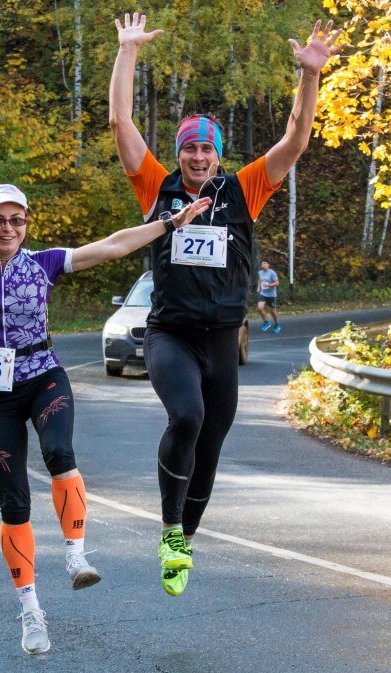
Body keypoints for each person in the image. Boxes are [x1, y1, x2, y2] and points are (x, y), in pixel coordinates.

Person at [0, 100, 210, 655]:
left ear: (27, 224)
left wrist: (169, 223)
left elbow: (114, 245)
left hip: (43, 371)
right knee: (13, 504)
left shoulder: (45, 262)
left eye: (17, 219)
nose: (7, 227)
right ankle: (31, 612)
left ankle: (76, 555)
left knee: (60, 452)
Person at [109, 12, 343, 596]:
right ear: (180, 154)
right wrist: (128, 51)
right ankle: (169, 530)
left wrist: (308, 77)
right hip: (170, 335)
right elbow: (120, 122)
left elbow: (296, 142)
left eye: (206, 150)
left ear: (217, 155)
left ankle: (182, 542)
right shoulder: (156, 186)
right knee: (186, 417)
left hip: (221, 343)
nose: (197, 159)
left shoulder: (243, 190)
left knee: (210, 445)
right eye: (189, 149)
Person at [257, 260, 280, 333]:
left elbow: (277, 283)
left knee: (272, 311)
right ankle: (266, 322)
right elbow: (259, 280)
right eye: (262, 264)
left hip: (271, 295)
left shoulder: (272, 273)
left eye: (265, 263)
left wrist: (269, 285)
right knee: (260, 308)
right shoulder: (260, 273)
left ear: (268, 265)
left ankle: (277, 324)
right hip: (263, 293)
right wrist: (258, 287)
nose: (263, 265)